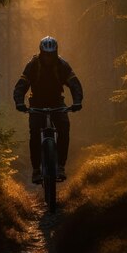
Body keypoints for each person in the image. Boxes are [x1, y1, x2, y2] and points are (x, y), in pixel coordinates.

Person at [13, 36, 83, 184]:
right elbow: (21, 85)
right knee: (34, 131)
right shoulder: (33, 65)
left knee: (64, 128)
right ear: (41, 53)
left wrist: (77, 101)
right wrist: (19, 102)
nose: (49, 58)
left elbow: (74, 84)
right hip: (37, 102)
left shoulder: (62, 65)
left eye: (51, 54)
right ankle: (36, 170)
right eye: (46, 54)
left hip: (57, 101)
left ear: (56, 53)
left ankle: (61, 166)